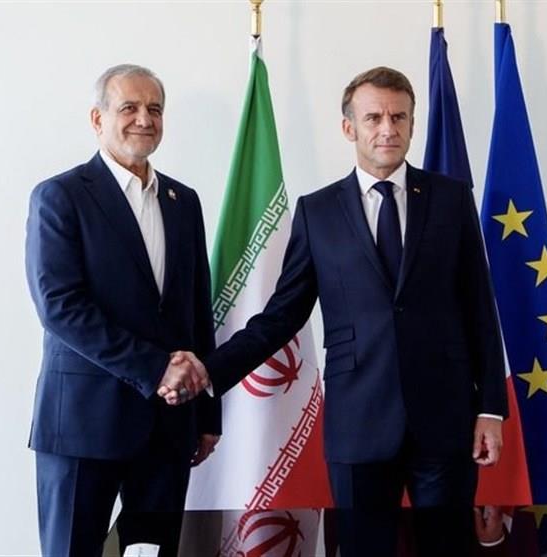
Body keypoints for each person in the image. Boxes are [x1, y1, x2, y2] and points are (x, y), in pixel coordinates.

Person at [162, 66, 508, 555]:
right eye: (373, 118)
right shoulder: (317, 211)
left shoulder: (450, 200)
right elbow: (281, 315)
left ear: (413, 124)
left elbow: (480, 310)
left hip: (446, 420)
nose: (387, 128)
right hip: (358, 422)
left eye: (399, 117)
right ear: (349, 128)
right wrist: (209, 370)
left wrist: (490, 408)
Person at [25, 64, 220, 557]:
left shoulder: (183, 201)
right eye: (129, 108)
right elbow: (60, 308)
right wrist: (156, 368)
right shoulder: (60, 196)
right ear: (98, 119)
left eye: (154, 109)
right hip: (83, 427)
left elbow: (197, 311)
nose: (144, 119)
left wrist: (206, 413)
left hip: (167, 427)